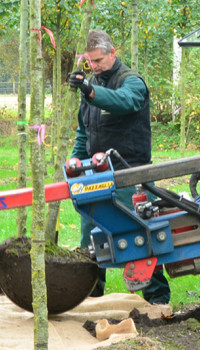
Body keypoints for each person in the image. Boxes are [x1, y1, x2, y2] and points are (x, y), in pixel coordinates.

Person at [67, 29, 170, 304]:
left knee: (139, 235)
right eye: (91, 62)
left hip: (130, 173)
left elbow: (125, 102)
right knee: (90, 237)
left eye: (99, 60)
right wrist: (75, 163)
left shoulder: (132, 81)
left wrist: (91, 91)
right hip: (96, 173)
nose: (95, 66)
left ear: (113, 53)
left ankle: (157, 299)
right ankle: (89, 296)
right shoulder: (90, 83)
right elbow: (84, 130)